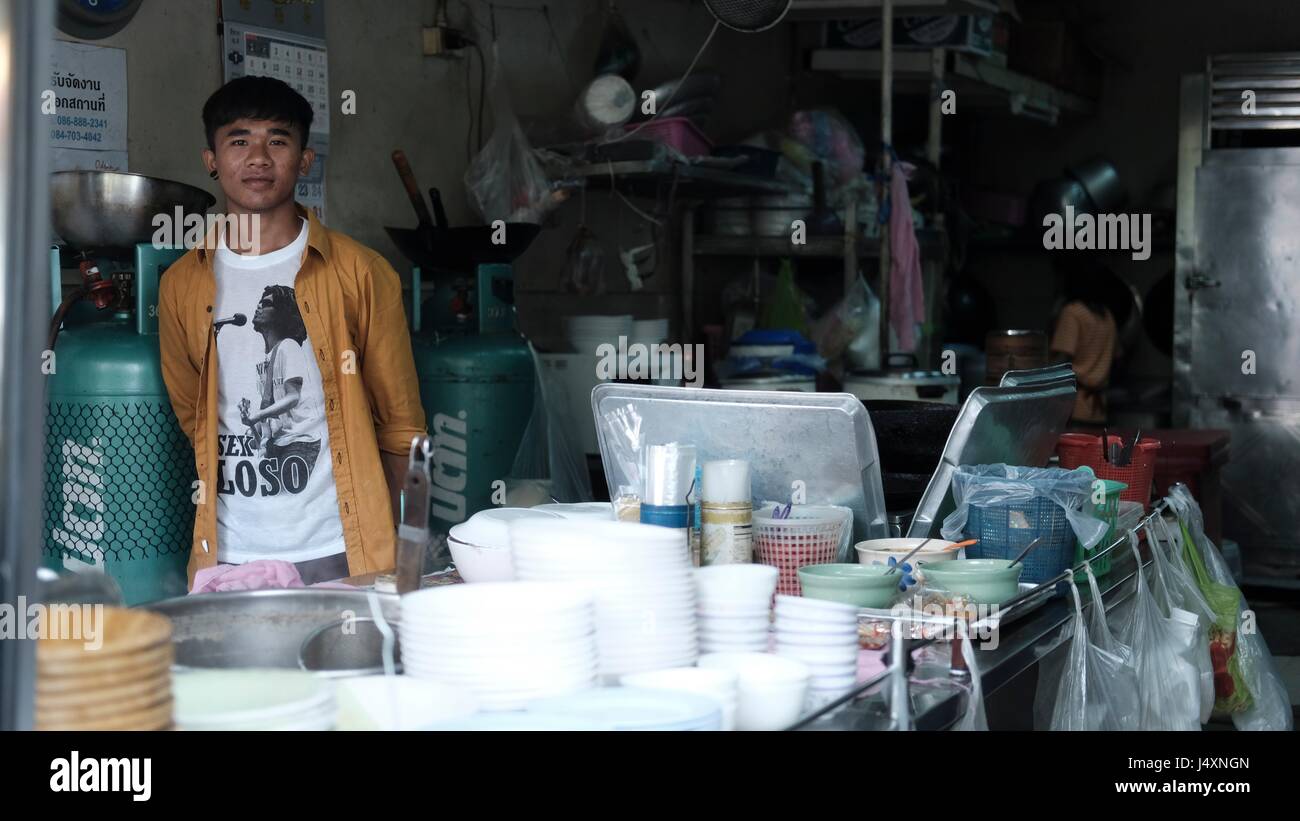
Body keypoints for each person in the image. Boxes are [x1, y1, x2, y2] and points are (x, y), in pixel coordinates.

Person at [159, 76, 425, 586]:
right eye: (239, 140)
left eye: (278, 141)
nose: (258, 157)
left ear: (304, 160)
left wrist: (404, 551)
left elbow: (401, 426)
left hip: (340, 548)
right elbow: (193, 414)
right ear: (211, 160)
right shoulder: (181, 284)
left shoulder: (361, 273)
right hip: (229, 552)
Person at [1050, 264, 1119, 427]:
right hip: (1099, 410)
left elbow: (1060, 361)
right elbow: (1118, 357)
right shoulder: (1107, 316)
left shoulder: (1073, 313)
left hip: (1074, 408)